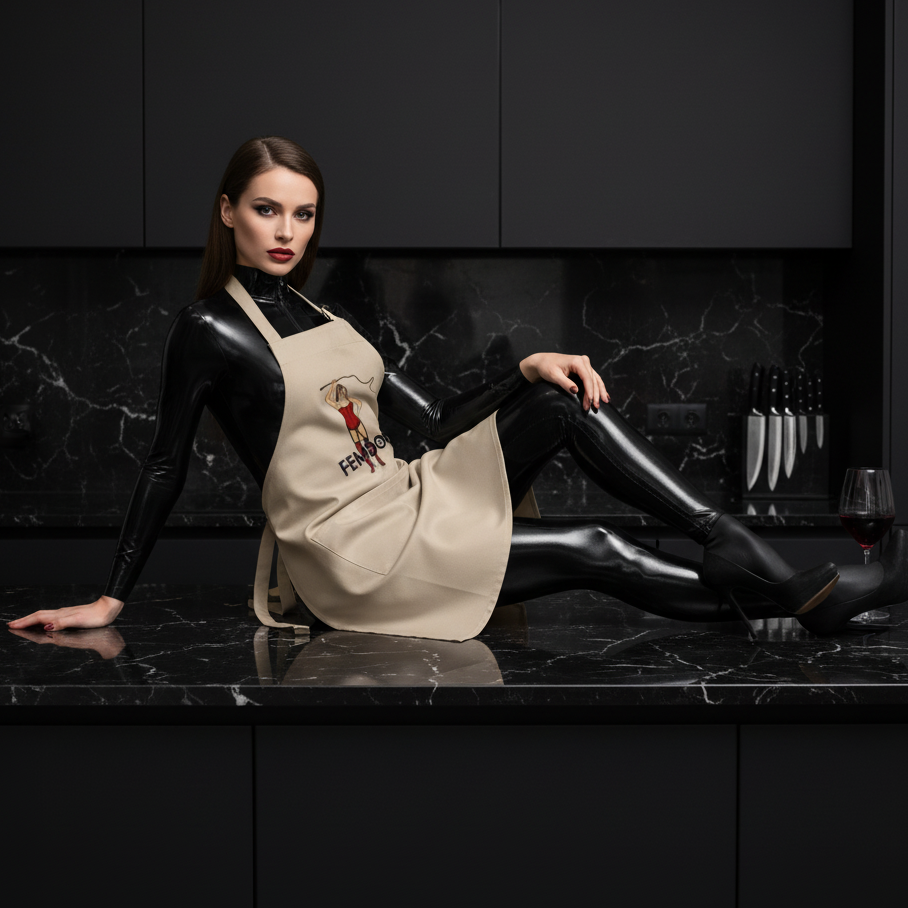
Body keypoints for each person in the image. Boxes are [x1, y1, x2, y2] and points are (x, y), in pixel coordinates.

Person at [8, 136, 906, 641]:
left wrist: (524, 367)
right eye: (267, 209)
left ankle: (743, 555)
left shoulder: (323, 315)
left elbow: (435, 421)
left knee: (556, 401)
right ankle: (799, 596)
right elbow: (162, 466)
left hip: (403, 494)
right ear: (228, 212)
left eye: (304, 213)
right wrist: (110, 597)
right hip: (349, 554)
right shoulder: (210, 328)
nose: (287, 231)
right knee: (596, 545)